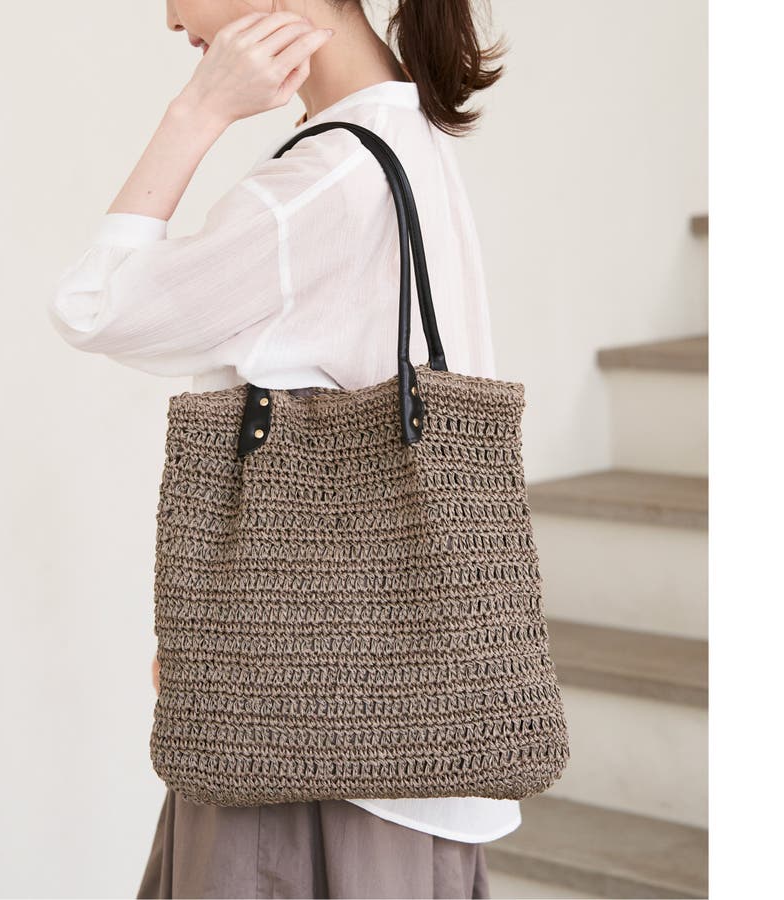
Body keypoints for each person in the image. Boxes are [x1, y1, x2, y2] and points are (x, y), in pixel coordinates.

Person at [48, 1, 521, 897]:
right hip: (403, 736)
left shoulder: (323, 179)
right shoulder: (403, 134)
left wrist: (196, 112)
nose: (168, 16)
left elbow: (92, 306)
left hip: (302, 759)